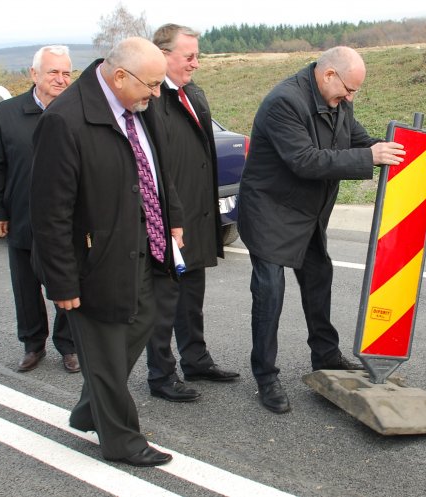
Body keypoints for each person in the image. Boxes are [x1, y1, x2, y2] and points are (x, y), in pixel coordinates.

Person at [30, 37, 183, 467]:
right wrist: (62, 282)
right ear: (119, 76)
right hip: (92, 262)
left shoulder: (138, 105)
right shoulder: (65, 121)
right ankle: (122, 442)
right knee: (105, 351)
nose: (157, 94)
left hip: (140, 248)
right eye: (151, 84)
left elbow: (156, 168)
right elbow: (49, 212)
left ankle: (89, 410)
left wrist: (172, 217)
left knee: (142, 323)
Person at [238, 46, 406, 414]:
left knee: (319, 278)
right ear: (329, 74)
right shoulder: (284, 102)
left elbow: (360, 141)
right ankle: (266, 375)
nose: (350, 98)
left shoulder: (338, 100)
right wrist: (370, 157)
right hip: (270, 210)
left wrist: (408, 151)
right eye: (349, 89)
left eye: (354, 92)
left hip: (307, 212)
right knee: (270, 292)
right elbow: (305, 160)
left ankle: (326, 355)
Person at [143, 24, 239, 403]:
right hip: (168, 221)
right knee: (163, 301)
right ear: (163, 55)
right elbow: (152, 168)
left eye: (197, 56)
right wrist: (169, 219)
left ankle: (196, 360)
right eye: (189, 56)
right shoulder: (149, 100)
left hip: (196, 216)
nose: (196, 63)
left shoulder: (192, 93)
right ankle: (161, 374)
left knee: (191, 297)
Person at [0, 46, 79, 374]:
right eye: (53, 72)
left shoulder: (77, 110)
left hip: (68, 221)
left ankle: (69, 346)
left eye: (66, 73)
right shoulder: (8, 113)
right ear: (34, 74)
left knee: (68, 282)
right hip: (23, 218)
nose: (61, 79)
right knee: (25, 287)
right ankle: (33, 344)